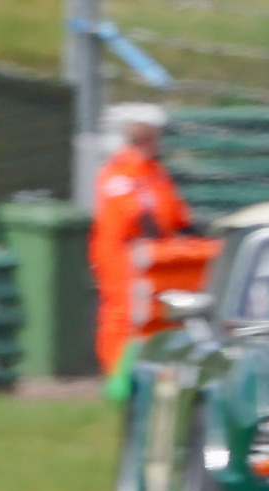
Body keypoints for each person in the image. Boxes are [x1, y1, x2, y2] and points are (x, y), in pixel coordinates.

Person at [90, 117, 192, 373]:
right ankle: (116, 372)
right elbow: (134, 215)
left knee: (155, 313)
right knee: (122, 314)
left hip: (153, 255)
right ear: (147, 141)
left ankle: (150, 369)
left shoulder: (155, 172)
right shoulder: (118, 172)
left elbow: (175, 211)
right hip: (122, 256)